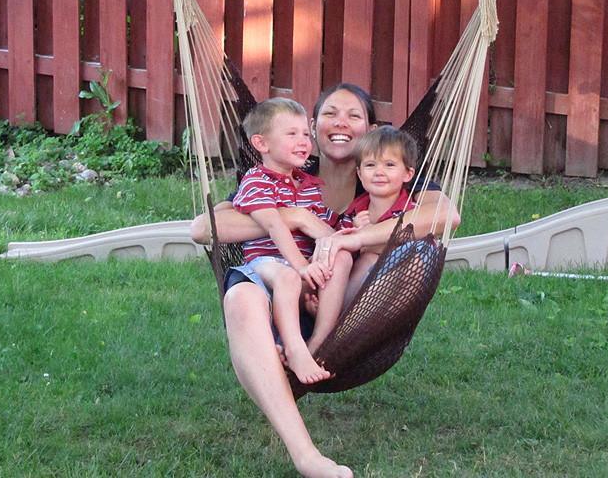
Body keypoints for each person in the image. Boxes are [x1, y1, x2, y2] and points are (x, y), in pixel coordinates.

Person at [190, 83, 460, 478]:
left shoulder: (387, 169)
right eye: (330, 113)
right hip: (282, 292)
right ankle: (306, 455)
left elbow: (444, 216)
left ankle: (313, 351)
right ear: (313, 126)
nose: (341, 123)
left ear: (369, 128)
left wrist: (351, 238)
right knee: (240, 299)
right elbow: (205, 227)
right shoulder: (289, 175)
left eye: (354, 115)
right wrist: (297, 218)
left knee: (384, 254)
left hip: (353, 316)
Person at [229, 98, 351, 385]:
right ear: (261, 143)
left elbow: (328, 225)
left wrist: (357, 225)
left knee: (342, 256)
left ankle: (319, 341)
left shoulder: (309, 186)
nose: (303, 141)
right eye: (291, 134)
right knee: (287, 277)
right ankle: (293, 347)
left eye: (306, 134)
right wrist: (300, 267)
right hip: (264, 267)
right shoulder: (257, 181)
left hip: (303, 270)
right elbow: (273, 224)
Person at [337, 125, 419, 306]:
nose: (379, 172)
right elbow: (338, 245)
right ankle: (337, 312)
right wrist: (354, 231)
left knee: (371, 258)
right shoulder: (355, 211)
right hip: (352, 285)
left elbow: (418, 248)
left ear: (408, 174)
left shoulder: (412, 212)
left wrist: (366, 241)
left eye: (389, 165)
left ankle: (348, 315)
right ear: (359, 173)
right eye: (370, 165)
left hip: (389, 296)